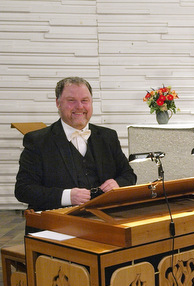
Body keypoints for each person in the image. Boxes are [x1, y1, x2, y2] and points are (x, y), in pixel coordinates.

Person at [15, 77, 137, 231]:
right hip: (55, 226)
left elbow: (128, 175)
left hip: (105, 223)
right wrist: (67, 196)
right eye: (71, 100)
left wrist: (118, 184)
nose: (79, 107)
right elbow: (23, 190)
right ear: (58, 103)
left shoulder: (108, 137)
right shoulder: (37, 141)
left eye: (85, 100)